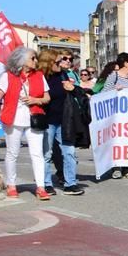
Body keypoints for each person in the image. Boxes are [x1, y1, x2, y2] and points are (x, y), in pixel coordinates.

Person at [0, 47, 51, 200]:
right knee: (12, 153)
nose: (36, 61)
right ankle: (11, 185)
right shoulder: (7, 76)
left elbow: (47, 97)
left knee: (37, 154)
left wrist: (36, 100)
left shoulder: (39, 75)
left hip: (35, 117)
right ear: (21, 60)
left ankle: (40, 187)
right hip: (13, 118)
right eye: (33, 58)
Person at [39, 49, 86, 195]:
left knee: (69, 152)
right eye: (59, 61)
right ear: (49, 62)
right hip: (48, 120)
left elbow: (71, 92)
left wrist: (72, 89)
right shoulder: (41, 77)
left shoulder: (63, 74)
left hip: (64, 120)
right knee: (47, 154)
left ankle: (70, 183)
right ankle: (46, 184)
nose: (62, 63)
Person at [100, 54, 128, 179]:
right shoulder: (114, 76)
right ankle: (116, 167)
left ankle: (126, 168)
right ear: (126, 63)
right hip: (116, 117)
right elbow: (103, 93)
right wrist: (115, 89)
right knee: (117, 142)